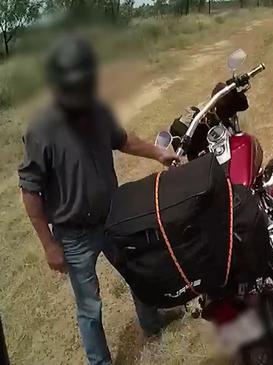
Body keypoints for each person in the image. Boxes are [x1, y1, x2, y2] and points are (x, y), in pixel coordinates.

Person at [17, 35, 180, 365]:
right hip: (73, 234)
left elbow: (123, 141)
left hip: (113, 217)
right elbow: (30, 191)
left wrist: (160, 153)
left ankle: (151, 322)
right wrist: (49, 245)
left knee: (138, 271)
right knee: (90, 307)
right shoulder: (41, 129)